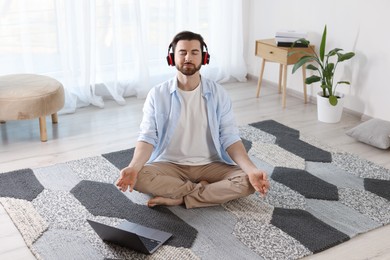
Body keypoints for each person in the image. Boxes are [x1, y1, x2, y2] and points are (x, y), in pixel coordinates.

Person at [116, 31, 269, 209]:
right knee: (139, 178)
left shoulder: (219, 93)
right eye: (182, 52)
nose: (188, 57)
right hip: (169, 164)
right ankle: (202, 193)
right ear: (172, 58)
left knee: (248, 181)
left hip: (211, 164)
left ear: (204, 58)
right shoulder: (157, 95)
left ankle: (180, 197)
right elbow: (147, 137)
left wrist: (251, 170)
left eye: (194, 52)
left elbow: (230, 137)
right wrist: (133, 167)